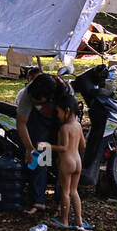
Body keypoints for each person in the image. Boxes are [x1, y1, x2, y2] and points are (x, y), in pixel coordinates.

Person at [18, 72, 74, 214]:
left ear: (50, 98)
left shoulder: (66, 92)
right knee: (40, 157)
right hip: (39, 123)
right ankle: (39, 201)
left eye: (39, 101)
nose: (35, 102)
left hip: (61, 124)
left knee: (62, 160)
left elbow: (72, 123)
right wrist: (29, 148)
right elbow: (22, 122)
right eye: (34, 100)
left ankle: (61, 202)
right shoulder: (29, 92)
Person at [51, 95, 89, 231]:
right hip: (77, 161)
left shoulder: (64, 128)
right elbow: (83, 145)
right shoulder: (78, 126)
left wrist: (47, 146)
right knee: (74, 191)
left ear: (67, 111)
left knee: (65, 192)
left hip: (67, 161)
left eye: (58, 112)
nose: (57, 116)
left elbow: (64, 148)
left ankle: (65, 220)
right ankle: (79, 220)